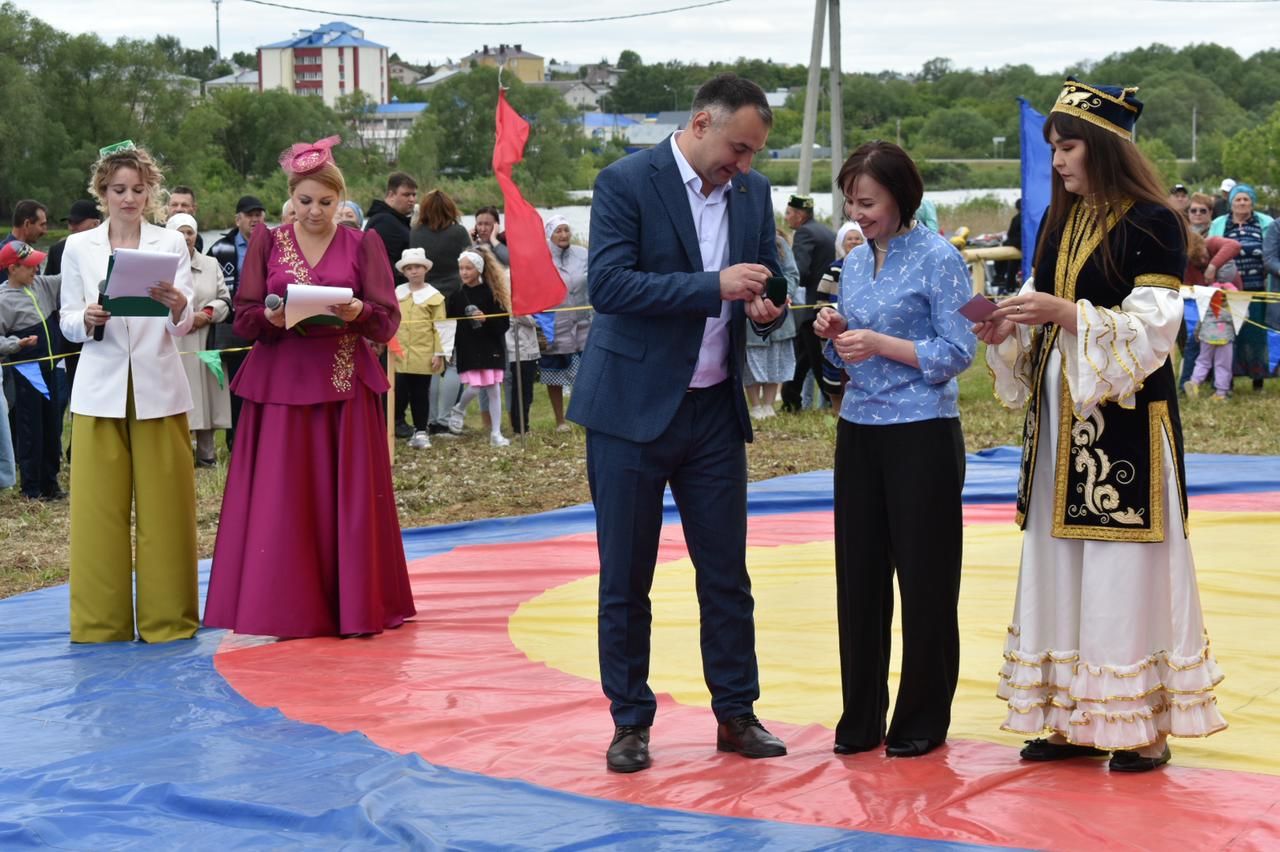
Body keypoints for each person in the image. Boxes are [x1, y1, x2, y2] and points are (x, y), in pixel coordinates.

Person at [976, 78, 1226, 772]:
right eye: (1054, 147)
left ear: (1106, 147)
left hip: (1124, 427)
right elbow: (1043, 295)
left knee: (1120, 569)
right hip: (1061, 419)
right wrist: (1008, 323)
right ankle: (1066, 716)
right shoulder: (1059, 220)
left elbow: (1153, 330)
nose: (1058, 161)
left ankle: (1141, 726)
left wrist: (1062, 315)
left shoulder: (1153, 222)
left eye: (1069, 146)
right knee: (1060, 561)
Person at [567, 73, 789, 774]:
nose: (744, 166)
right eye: (738, 148)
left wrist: (767, 302)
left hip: (713, 410)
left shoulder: (752, 194)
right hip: (630, 410)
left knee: (726, 573)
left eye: (754, 154)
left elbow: (771, 273)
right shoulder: (626, 181)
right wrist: (713, 286)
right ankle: (630, 721)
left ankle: (736, 713)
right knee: (625, 576)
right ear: (701, 123)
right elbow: (609, 286)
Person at [204, 135, 415, 638]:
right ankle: (284, 608)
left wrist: (358, 310)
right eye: (305, 201)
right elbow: (247, 315)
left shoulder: (364, 244)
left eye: (326, 202)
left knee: (347, 498)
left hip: (345, 386)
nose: (315, 211)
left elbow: (386, 321)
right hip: (280, 386)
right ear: (290, 197)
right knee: (284, 499)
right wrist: (275, 315)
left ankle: (353, 606)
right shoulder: (267, 241)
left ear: (341, 202)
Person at [812, 141, 975, 759]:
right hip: (858, 428)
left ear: (903, 196)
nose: (858, 213)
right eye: (851, 201)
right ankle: (862, 713)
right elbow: (847, 351)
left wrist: (881, 343)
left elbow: (958, 351)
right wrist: (834, 334)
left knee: (926, 577)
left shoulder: (941, 258)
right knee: (858, 578)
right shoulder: (854, 262)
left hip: (922, 433)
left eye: (869, 201)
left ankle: (922, 715)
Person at [58, 142, 198, 643]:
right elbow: (68, 319)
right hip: (99, 390)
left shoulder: (171, 244)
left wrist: (181, 304)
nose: (130, 198)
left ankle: (170, 622)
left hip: (160, 388)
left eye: (139, 189)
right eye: (119, 189)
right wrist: (87, 318)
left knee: (166, 513)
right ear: (102, 192)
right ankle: (101, 625)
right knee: (98, 514)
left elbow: (182, 326)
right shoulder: (78, 247)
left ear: (151, 191)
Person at [0, 241, 65, 499]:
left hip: (50, 367)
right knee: (31, 429)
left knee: (52, 425)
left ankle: (51, 482)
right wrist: (16, 345)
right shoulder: (3, 300)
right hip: (28, 372)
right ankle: (32, 487)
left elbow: (66, 277)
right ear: (12, 268)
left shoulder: (41, 285)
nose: (36, 270)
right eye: (29, 267)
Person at [167, 213, 231, 467]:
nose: (185, 238)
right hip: (173, 342)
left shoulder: (211, 264)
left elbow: (225, 299)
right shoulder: (160, 265)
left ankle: (206, 454)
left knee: (207, 398)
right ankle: (178, 455)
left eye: (190, 232)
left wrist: (206, 314)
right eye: (180, 232)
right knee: (176, 400)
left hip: (204, 341)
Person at [410, 189, 472, 434]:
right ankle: (445, 419)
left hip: (425, 298)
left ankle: (430, 417)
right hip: (453, 297)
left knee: (432, 360)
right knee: (452, 360)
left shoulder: (416, 233)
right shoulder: (458, 232)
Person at [208, 194, 267, 450]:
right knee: (235, 383)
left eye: (259, 214)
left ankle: (262, 436)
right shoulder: (221, 248)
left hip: (265, 322)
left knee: (263, 379)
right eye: (249, 215)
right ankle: (235, 439)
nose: (255, 219)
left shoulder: (272, 244)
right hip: (232, 324)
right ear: (238, 219)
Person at [1209, 184, 1274, 392]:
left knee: (1255, 336)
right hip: (1227, 289)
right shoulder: (1220, 223)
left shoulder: (1265, 223)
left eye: (1246, 199)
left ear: (1252, 202)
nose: (1242, 203)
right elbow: (1210, 250)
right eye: (1238, 199)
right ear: (1231, 203)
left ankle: (1258, 380)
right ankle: (1226, 381)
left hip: (1257, 289)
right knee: (1228, 334)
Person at [445, 247, 511, 446]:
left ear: (479, 270)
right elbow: (450, 324)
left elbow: (503, 324)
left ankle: (496, 433)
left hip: (491, 346)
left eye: (469, 268)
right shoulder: (456, 296)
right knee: (474, 387)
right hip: (468, 347)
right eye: (461, 268)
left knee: (493, 389)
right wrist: (450, 348)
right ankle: (459, 408)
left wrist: (486, 320)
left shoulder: (492, 294)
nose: (464, 272)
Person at [780, 194, 835, 413]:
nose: (786, 218)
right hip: (823, 302)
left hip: (810, 306)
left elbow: (800, 271)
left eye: (788, 213)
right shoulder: (825, 231)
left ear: (800, 215)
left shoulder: (804, 233)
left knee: (815, 357)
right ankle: (790, 400)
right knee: (803, 356)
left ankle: (832, 399)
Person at [539, 214, 590, 431]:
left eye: (566, 230)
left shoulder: (582, 254)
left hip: (583, 322)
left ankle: (585, 417)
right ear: (550, 234)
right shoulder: (540, 257)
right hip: (553, 322)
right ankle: (560, 420)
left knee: (586, 373)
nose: (563, 235)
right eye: (558, 231)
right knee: (555, 373)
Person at [393, 248, 447, 449]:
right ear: (404, 272)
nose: (414, 271)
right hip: (398, 354)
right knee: (398, 392)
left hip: (422, 353)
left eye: (417, 267)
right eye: (409, 268)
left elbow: (440, 327)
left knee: (419, 393)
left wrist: (438, 353)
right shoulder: (397, 293)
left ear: (425, 269)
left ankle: (421, 430)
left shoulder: (434, 297)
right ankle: (396, 425)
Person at [745, 232, 798, 418]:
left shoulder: (779, 243)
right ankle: (755, 406)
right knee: (751, 359)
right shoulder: (741, 238)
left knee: (776, 358)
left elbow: (792, 273)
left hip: (778, 309)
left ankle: (768, 404)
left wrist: (783, 293)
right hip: (749, 309)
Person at [1184, 264, 1240, 402]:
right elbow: (1243, 317)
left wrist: (1197, 332)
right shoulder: (1234, 295)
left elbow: (1201, 316)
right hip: (1225, 337)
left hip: (1206, 334)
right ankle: (1220, 393)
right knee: (1222, 364)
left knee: (1203, 361)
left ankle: (1194, 382)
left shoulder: (1207, 293)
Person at [366, 173, 417, 283]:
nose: (412, 199)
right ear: (391, 195)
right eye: (406, 195)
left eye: (414, 194)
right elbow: (384, 264)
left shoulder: (395, 220)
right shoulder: (384, 222)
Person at [45, 200, 101, 275]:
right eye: (70, 222)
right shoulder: (57, 250)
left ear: (95, 224)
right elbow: (47, 285)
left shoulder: (110, 249)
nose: (71, 228)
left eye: (77, 222)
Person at [0, 200, 48, 285]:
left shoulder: (31, 252)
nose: (45, 231)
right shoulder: (2, 255)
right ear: (27, 224)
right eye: (41, 225)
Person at [166, 186, 204, 251]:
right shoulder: (155, 233)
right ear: (167, 208)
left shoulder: (196, 239)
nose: (179, 209)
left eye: (184, 205)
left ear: (194, 209)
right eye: (174, 205)